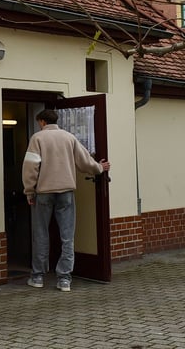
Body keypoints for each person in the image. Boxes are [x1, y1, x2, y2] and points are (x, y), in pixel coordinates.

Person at [22, 108, 110, 292]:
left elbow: (31, 168)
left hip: (44, 192)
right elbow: (84, 161)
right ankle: (64, 279)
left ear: (42, 122)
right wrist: (99, 168)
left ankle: (37, 276)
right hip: (66, 191)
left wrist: (30, 191)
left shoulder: (37, 138)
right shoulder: (69, 137)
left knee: (40, 233)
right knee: (67, 235)